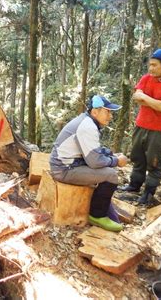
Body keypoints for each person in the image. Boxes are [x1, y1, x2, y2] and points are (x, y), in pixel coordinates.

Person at [49, 95, 128, 232]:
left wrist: (110, 154)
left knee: (106, 174)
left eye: (110, 112)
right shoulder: (88, 126)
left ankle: (105, 210)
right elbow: (95, 162)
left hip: (69, 164)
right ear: (95, 112)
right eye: (107, 111)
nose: (110, 116)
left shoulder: (87, 121)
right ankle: (97, 215)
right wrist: (116, 161)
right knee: (111, 175)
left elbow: (92, 151)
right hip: (64, 169)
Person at [120, 48, 161, 204]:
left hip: (160, 131)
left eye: (155, 65)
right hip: (141, 125)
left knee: (154, 161)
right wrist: (152, 101)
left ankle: (148, 194)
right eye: (150, 65)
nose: (151, 68)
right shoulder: (146, 78)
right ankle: (134, 186)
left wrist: (145, 98)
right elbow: (136, 97)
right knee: (137, 157)